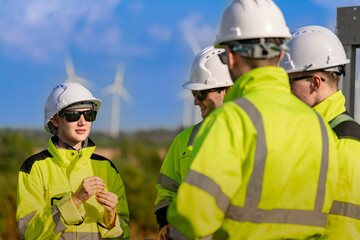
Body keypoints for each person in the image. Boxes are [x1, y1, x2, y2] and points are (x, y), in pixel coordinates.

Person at [167, 0, 339, 239]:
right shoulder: (319, 128)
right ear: (281, 53)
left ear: (230, 56)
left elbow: (192, 219)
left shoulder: (231, 121)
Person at [16, 82, 130, 239]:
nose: (82, 122)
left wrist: (111, 216)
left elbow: (124, 234)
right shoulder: (34, 167)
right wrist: (74, 201)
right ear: (55, 120)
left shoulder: (107, 168)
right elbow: (30, 231)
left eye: (89, 115)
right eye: (73, 115)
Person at [280, 25, 360, 239]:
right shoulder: (312, 134)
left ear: (315, 82)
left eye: (288, 81)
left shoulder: (343, 142)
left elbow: (341, 227)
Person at [154, 46, 233, 240]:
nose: (196, 102)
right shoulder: (184, 140)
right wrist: (166, 222)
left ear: (227, 90)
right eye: (193, 94)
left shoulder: (253, 135)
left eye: (201, 93)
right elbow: (166, 190)